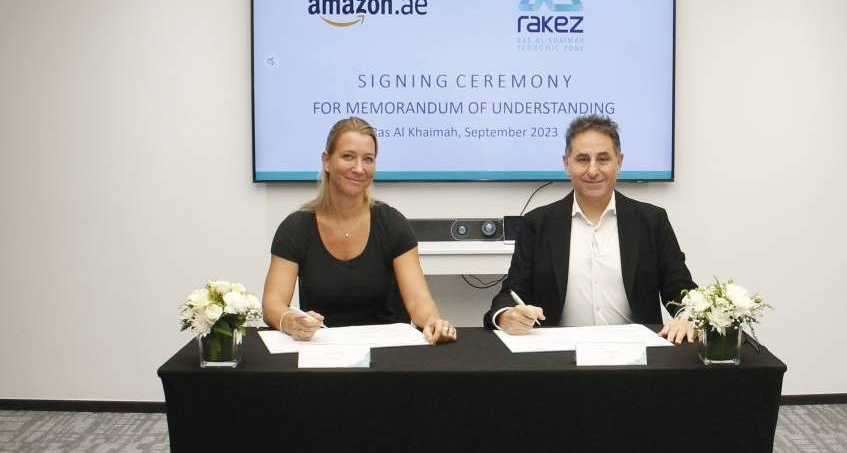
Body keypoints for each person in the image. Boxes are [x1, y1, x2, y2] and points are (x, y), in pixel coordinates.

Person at [483, 115, 697, 343]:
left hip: (637, 356)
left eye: (603, 159)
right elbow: (512, 293)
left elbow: (681, 289)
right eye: (583, 159)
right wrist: (506, 315)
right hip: (558, 356)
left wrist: (686, 317)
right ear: (566, 164)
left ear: (619, 162)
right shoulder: (537, 224)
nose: (593, 170)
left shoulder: (652, 221)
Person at [263, 117, 457, 344]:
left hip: (389, 353)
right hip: (323, 352)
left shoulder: (392, 224)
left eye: (368, 159)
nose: (359, 168)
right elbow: (272, 304)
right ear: (327, 161)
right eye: (348, 156)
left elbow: (418, 300)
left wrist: (432, 321)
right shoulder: (296, 228)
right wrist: (290, 320)